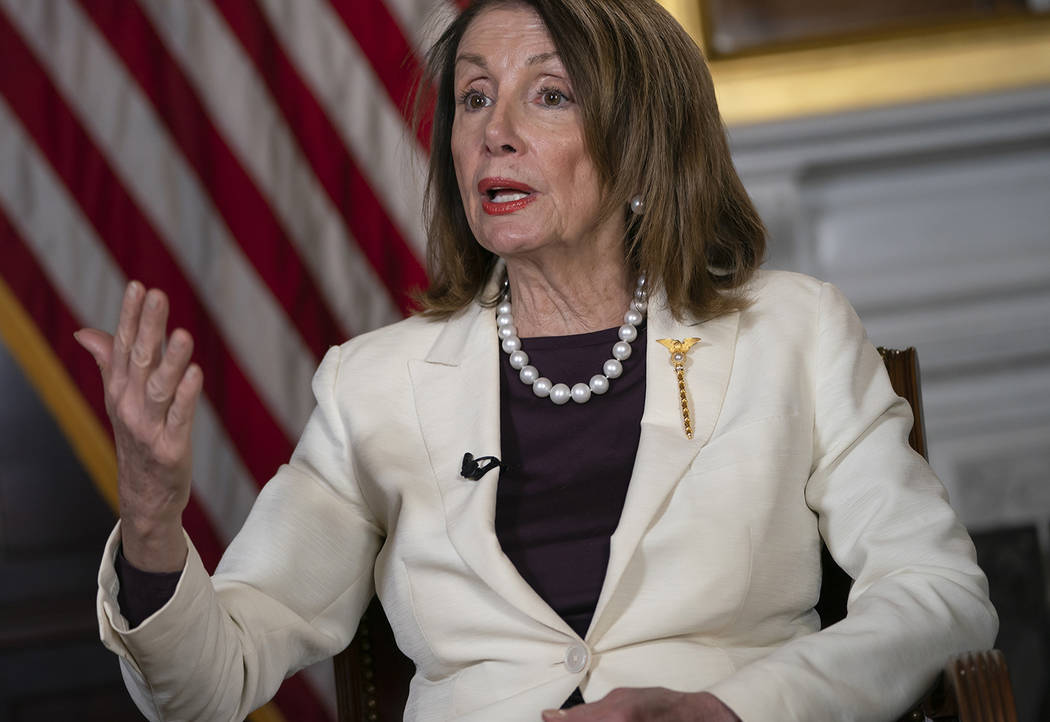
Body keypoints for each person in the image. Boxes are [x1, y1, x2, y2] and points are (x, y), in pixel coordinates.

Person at [78, 0, 997, 720]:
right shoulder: (374, 386)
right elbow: (206, 686)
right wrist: (154, 523)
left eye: (548, 94)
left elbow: (940, 594)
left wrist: (730, 709)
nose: (493, 131)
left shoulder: (793, 334)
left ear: (642, 147)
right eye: (474, 96)